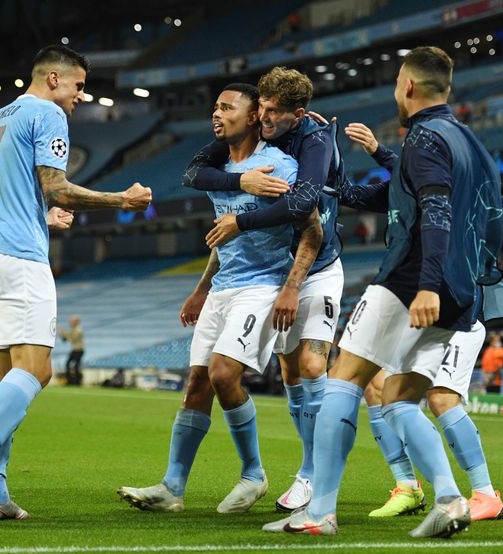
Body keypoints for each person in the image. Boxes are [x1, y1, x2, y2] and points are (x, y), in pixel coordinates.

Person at [264, 46, 503, 538]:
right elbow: (500, 218)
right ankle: (450, 500)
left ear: (409, 86)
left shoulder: (423, 137)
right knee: (399, 396)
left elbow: (435, 210)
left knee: (343, 378)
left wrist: (427, 285)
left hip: (412, 282)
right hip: (464, 295)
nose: (397, 92)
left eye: (397, 84)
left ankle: (318, 514)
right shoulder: (475, 148)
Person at [0, 44, 151, 527]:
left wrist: (42, 214)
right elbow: (56, 185)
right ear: (53, 79)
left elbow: (10, 190)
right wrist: (121, 199)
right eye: (77, 86)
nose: (80, 96)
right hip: (18, 256)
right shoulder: (49, 115)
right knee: (36, 371)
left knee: (4, 375)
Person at [117, 83, 322, 515]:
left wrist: (292, 285)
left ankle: (253, 473)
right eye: (215, 106)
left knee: (223, 374)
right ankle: (173, 486)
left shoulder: (278, 165)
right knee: (196, 383)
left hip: (263, 286)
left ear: (252, 118)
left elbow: (312, 229)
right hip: (224, 286)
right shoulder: (223, 166)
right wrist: (201, 288)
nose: (216, 113)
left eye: (227, 107)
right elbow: (222, 236)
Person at [342, 120, 503, 521]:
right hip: (421, 308)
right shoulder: (418, 189)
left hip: (458, 309)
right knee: (377, 385)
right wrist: (331, 159)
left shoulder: (468, 194)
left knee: (439, 398)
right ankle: (407, 485)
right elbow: (366, 193)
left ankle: (485, 494)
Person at [182, 66, 344, 512]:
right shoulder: (252, 143)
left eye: (275, 112)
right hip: (277, 269)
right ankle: (310, 469)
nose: (267, 118)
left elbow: (303, 205)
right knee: (292, 374)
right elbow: (194, 174)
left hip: (317, 267)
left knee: (312, 367)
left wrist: (242, 221)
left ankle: (312, 473)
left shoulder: (313, 140)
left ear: (299, 113)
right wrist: (240, 183)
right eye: (264, 109)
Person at [59, 316, 84, 385]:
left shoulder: (78, 330)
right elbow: (66, 337)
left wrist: (64, 335)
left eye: (72, 321)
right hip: (76, 349)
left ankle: (75, 381)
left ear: (76, 322)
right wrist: (62, 334)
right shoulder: (74, 329)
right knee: (73, 365)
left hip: (78, 350)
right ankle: (73, 381)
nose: (70, 323)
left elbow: (70, 338)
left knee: (74, 365)